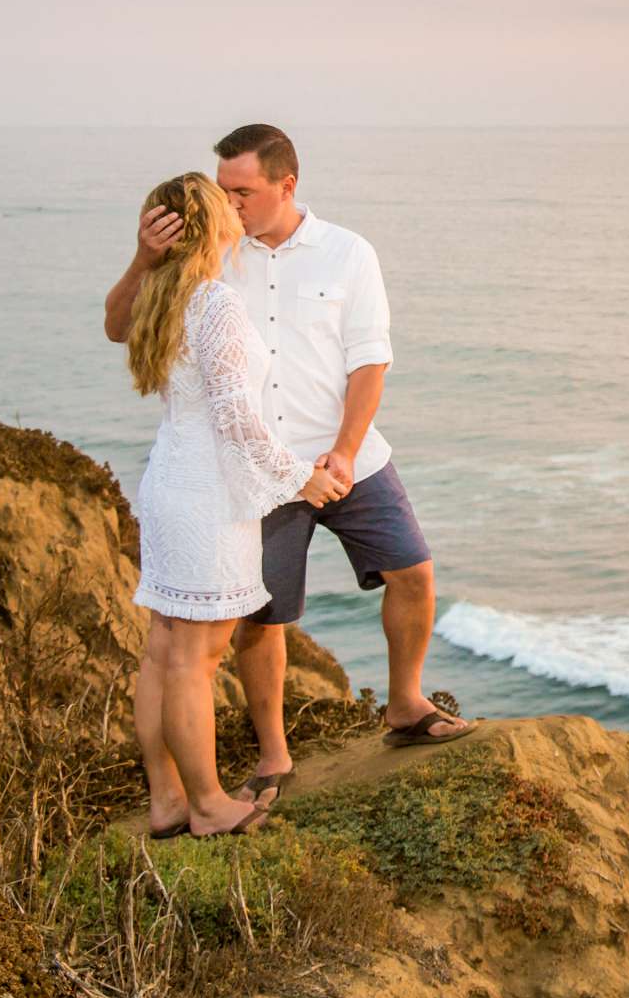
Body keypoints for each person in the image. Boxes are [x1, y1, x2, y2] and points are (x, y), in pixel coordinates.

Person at [105, 124, 470, 811]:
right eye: (223, 190)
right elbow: (123, 327)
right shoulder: (209, 257)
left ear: (287, 185)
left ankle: (405, 704)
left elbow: (370, 360)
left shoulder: (347, 253)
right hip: (251, 471)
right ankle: (274, 755)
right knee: (261, 620)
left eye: (242, 190)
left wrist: (346, 449)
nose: (229, 202)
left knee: (413, 571)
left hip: (346, 454)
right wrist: (141, 257)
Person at [119, 173, 345, 839]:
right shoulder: (213, 301)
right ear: (212, 224)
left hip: (169, 483)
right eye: (226, 205)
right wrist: (300, 476)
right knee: (195, 657)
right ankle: (211, 804)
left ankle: (167, 802)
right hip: (207, 499)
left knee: (164, 650)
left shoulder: (164, 293)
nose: (235, 212)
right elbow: (236, 419)